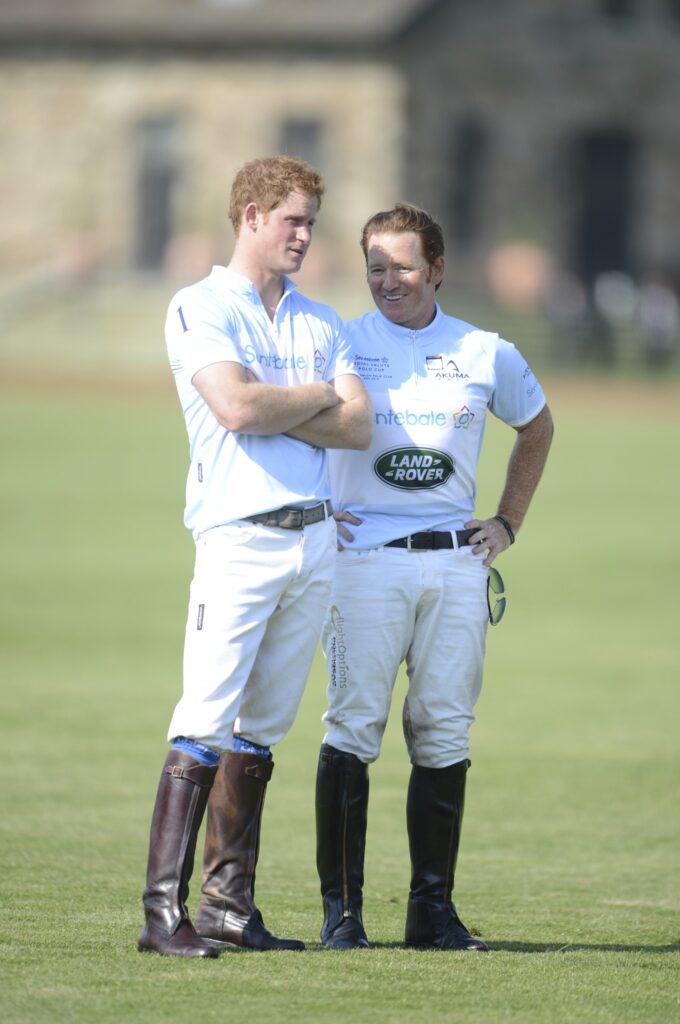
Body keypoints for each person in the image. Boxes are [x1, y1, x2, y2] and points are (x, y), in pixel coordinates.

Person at [138, 155, 373, 958]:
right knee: (204, 717)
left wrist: (281, 404)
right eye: (293, 220)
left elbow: (360, 427)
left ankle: (227, 907)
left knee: (261, 730)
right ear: (250, 216)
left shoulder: (320, 319)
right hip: (238, 539)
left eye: (312, 222)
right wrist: (317, 395)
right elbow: (236, 407)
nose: (305, 235)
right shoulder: (199, 305)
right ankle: (161, 915)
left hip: (314, 540)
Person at [315, 203, 553, 952]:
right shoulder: (340, 342)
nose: (389, 280)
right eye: (376, 267)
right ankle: (343, 916)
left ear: (438, 269)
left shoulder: (484, 350)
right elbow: (292, 423)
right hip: (362, 563)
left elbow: (538, 425)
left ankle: (432, 914)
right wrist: (316, 505)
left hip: (456, 563)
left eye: (404, 267)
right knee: (353, 727)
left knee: (444, 729)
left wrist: (507, 521)